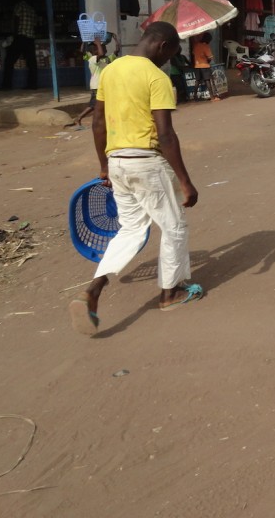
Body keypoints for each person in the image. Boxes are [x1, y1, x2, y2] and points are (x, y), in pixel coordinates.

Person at [68, 22, 202, 336]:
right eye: (171, 53)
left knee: (130, 230)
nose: (169, 59)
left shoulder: (110, 70)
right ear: (163, 45)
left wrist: (103, 165)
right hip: (146, 162)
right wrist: (185, 181)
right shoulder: (156, 77)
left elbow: (97, 122)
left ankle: (92, 290)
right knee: (174, 226)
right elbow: (166, 135)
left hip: (117, 163)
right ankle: (170, 294)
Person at [74, 33, 118, 128]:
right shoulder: (92, 59)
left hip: (103, 85)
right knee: (93, 105)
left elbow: (116, 51)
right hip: (96, 85)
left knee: (102, 103)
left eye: (104, 47)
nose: (105, 49)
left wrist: (116, 40)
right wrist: (97, 43)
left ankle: (105, 120)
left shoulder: (106, 59)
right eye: (102, 47)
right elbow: (87, 52)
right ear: (95, 50)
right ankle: (79, 117)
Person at [0, 0, 39, 90]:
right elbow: (35, 25)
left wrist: (14, 35)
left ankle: (7, 85)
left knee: (9, 61)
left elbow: (16, 20)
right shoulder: (32, 9)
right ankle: (32, 85)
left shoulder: (19, 6)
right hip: (30, 38)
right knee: (32, 63)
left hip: (20, 37)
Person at [191, 32, 220, 101]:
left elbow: (193, 54)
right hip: (205, 66)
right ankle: (212, 97)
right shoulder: (206, 46)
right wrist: (207, 61)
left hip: (197, 66)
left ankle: (194, 96)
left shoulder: (196, 45)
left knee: (197, 81)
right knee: (207, 81)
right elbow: (210, 57)